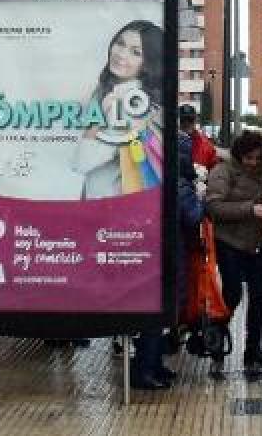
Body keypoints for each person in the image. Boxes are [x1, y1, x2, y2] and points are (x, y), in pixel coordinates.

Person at [129, 114, 206, 390]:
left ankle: (152, 365)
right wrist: (202, 198)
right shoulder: (180, 185)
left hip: (146, 252)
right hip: (169, 256)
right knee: (160, 314)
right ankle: (145, 371)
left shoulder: (151, 177)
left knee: (153, 315)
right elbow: (193, 216)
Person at [205, 130, 262, 375]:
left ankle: (253, 350)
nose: (253, 162)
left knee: (260, 296)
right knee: (232, 293)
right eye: (248, 158)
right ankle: (216, 341)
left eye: (257, 158)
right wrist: (251, 210)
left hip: (257, 242)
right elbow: (214, 207)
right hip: (230, 242)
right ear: (239, 155)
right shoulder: (223, 171)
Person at [73, 20, 164, 199]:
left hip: (112, 209)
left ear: (148, 62)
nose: (121, 54)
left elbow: (81, 162)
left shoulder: (125, 105)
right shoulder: (134, 98)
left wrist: (96, 122)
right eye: (120, 43)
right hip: (115, 205)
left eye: (135, 52)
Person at [179, 103, 219, 174]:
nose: (186, 123)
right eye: (182, 120)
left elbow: (215, 170)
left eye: (190, 120)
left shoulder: (207, 144)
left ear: (195, 120)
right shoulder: (167, 142)